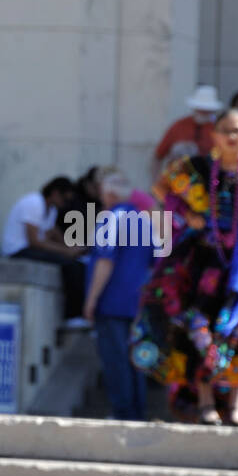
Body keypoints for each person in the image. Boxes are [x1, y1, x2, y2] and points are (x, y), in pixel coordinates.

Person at [131, 105, 238, 426]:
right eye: (224, 130)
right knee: (200, 328)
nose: (231, 136)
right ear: (213, 135)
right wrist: (186, 215)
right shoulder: (196, 168)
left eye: (237, 130)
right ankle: (204, 401)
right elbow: (160, 190)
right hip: (203, 265)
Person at [83, 170, 159, 421]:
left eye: (103, 194)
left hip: (112, 303)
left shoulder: (112, 218)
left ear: (111, 194)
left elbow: (105, 262)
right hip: (138, 304)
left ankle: (123, 412)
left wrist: (91, 300)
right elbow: (153, 264)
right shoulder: (144, 221)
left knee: (116, 360)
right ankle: (137, 411)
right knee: (136, 360)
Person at [1, 177, 85, 325]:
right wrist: (66, 251)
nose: (65, 205)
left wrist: (73, 248)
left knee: (78, 264)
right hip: (18, 250)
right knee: (71, 266)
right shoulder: (34, 203)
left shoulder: (51, 209)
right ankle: (72, 316)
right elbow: (35, 241)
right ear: (55, 193)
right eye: (64, 200)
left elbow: (52, 233)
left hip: (30, 248)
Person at [153, 85, 221, 173]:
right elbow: (158, 156)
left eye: (206, 110)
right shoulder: (178, 126)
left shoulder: (218, 130)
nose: (203, 112)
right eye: (200, 108)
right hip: (177, 180)